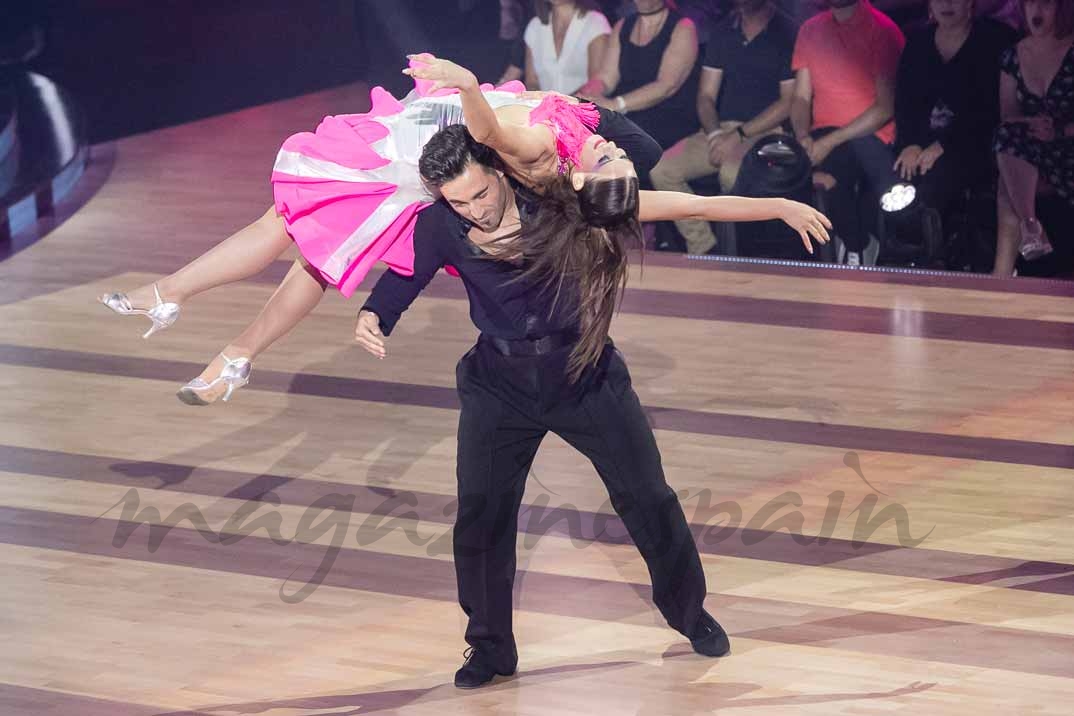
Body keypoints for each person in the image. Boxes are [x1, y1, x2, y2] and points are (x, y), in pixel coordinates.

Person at [354, 124, 829, 688]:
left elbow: (679, 203)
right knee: (480, 517)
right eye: (458, 201)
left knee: (648, 496)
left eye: (481, 193)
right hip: (497, 384)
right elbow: (404, 276)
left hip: (584, 373)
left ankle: (689, 613)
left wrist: (776, 204)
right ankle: (489, 648)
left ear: (501, 171)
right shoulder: (439, 225)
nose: (474, 210)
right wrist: (375, 315)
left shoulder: (563, 204)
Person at [98, 54, 662, 405]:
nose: (611, 151)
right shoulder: (588, 126)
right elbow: (642, 152)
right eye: (618, 157)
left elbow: (486, 128)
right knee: (308, 246)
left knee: (295, 234)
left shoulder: (542, 152)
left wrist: (463, 82)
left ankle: (183, 308)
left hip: (413, 163)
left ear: (585, 177)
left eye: (609, 161)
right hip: (414, 131)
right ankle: (222, 345)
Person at [650, 0, 798, 254]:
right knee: (662, 168)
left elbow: (788, 102)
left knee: (730, 173)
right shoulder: (724, 29)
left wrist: (739, 135)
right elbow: (706, 96)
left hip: (768, 132)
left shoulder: (787, 31)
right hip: (721, 130)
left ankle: (741, 254)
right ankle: (705, 249)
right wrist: (717, 134)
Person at [789, 0, 906, 266]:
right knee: (781, 167)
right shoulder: (810, 29)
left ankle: (857, 244)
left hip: (870, 136)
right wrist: (802, 135)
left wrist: (830, 141)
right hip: (822, 134)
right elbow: (801, 98)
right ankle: (852, 242)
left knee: (832, 172)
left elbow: (884, 109)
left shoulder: (882, 29)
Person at [893, 0, 1016, 245]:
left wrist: (943, 146)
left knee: (934, 188)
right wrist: (912, 144)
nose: (947, 4)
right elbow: (905, 101)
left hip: (974, 142)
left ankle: (937, 260)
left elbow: (991, 110)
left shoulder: (994, 40)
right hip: (921, 143)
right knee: (894, 185)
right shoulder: (917, 42)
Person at [992, 0, 1074, 275]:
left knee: (1007, 188)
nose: (1036, 11)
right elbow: (1008, 116)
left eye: (1045, 4)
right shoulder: (1013, 55)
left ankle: (1000, 275)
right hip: (1032, 148)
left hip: (1067, 146)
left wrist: (1060, 131)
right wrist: (1032, 123)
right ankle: (1029, 225)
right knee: (1006, 136)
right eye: (1030, 4)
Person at [580, 0, 702, 151]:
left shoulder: (683, 27)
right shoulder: (623, 26)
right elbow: (606, 78)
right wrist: (588, 94)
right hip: (626, 113)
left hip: (667, 118)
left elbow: (666, 86)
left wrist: (615, 105)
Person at [523, 0, 611, 94]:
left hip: (581, 106)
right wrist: (539, 103)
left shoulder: (595, 23)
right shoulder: (535, 26)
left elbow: (597, 83)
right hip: (543, 107)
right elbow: (531, 82)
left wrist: (563, 105)